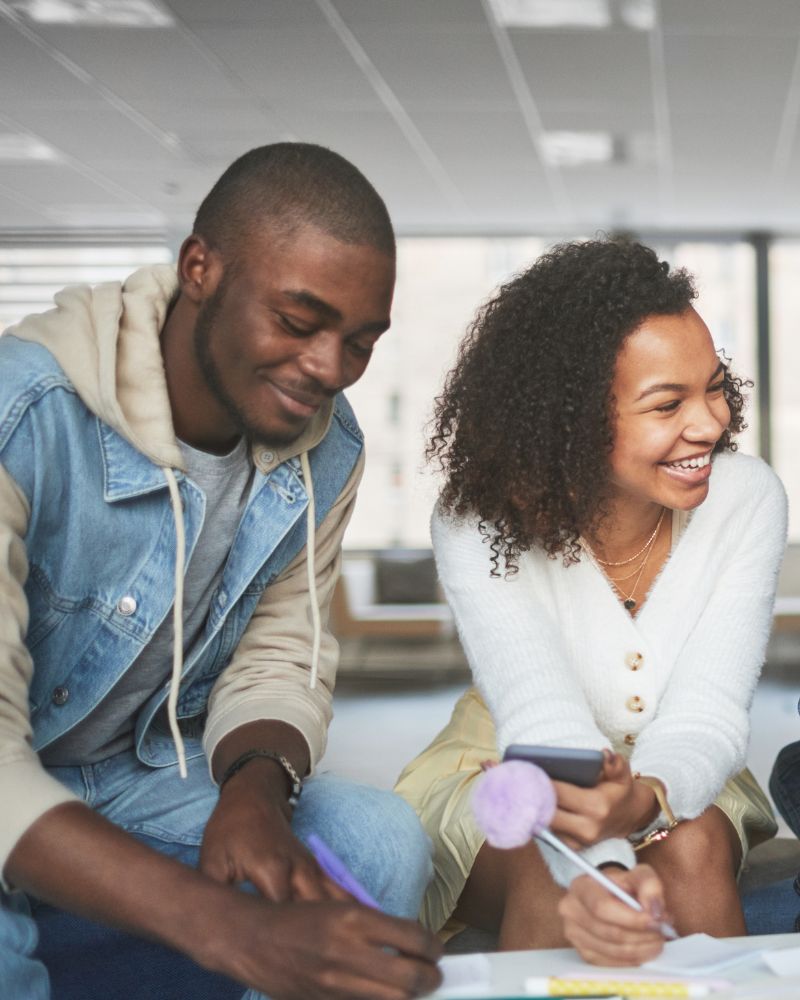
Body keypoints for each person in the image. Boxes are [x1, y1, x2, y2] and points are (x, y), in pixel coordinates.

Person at [0, 142, 442, 1000]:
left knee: (377, 840)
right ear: (199, 267)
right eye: (298, 319)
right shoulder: (23, 416)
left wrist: (256, 785)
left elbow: (282, 653)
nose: (328, 368)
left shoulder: (328, 448)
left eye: (359, 341)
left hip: (130, 771)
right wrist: (233, 932)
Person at [395, 237, 786, 965]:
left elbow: (707, 710)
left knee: (692, 846)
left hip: (686, 763)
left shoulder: (747, 499)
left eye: (713, 386)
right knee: (554, 872)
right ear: (569, 419)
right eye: (667, 403)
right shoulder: (477, 520)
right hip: (511, 765)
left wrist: (649, 799)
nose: (710, 424)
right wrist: (604, 865)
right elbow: (542, 713)